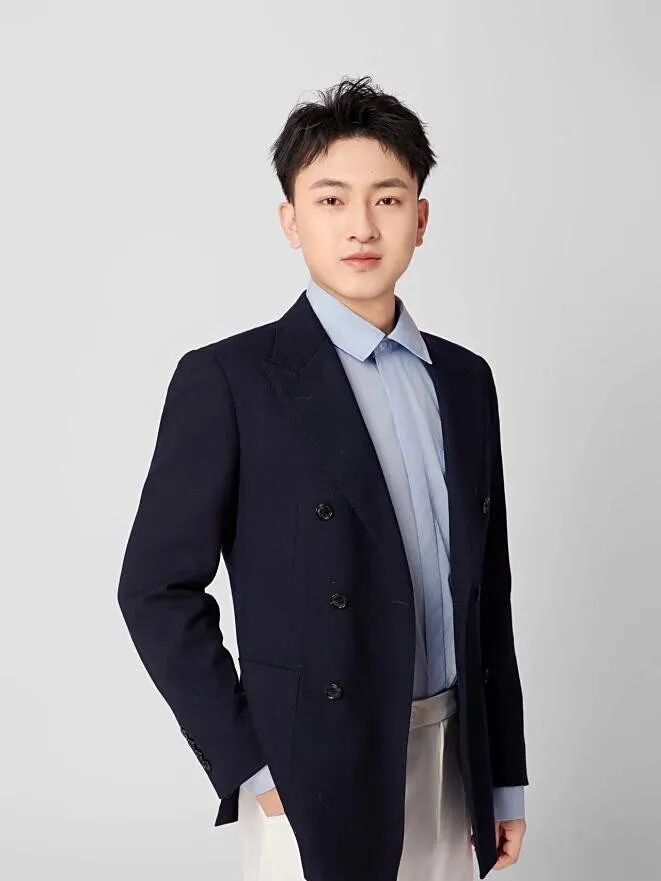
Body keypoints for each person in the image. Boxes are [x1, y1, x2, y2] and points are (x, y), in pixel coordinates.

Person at [117, 75, 529, 881]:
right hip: (312, 765)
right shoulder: (231, 379)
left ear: (420, 218)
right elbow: (155, 588)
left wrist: (502, 775)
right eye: (331, 200)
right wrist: (251, 763)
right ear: (291, 221)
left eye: (387, 199)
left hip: (455, 757)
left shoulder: (464, 380)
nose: (361, 226)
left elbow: (489, 593)